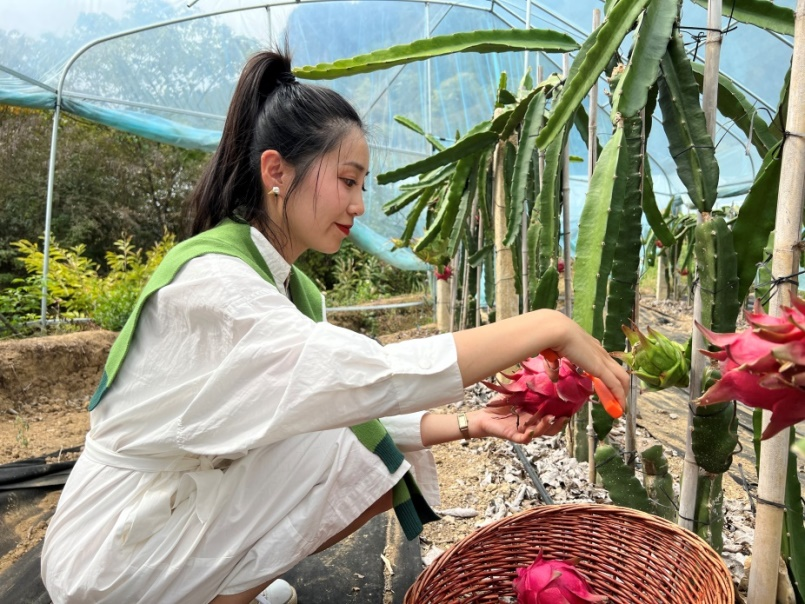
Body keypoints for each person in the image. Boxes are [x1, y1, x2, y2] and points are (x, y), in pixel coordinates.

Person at [40, 46, 629, 604]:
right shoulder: (217, 286)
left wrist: (475, 421)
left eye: (362, 185)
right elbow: (367, 379)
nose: (358, 204)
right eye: (347, 180)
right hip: (109, 558)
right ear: (275, 170)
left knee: (342, 433)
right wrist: (550, 324)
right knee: (343, 450)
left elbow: (350, 401)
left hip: (163, 513)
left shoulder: (285, 286)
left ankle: (215, 587)